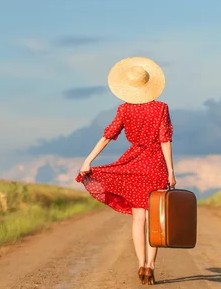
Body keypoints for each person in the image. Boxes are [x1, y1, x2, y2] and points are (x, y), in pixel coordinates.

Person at [75, 56, 176, 285]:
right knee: (154, 220)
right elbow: (165, 140)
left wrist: (88, 160)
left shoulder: (124, 109)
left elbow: (107, 136)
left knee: (138, 218)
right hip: (155, 166)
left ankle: (141, 264)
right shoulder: (161, 108)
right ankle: (151, 265)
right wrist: (171, 171)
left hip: (133, 165)